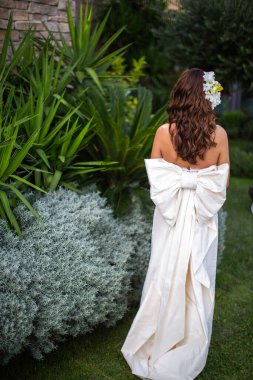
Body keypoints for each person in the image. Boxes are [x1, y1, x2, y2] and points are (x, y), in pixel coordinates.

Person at [121, 68, 230, 380]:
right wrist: (198, 181)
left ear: (180, 96)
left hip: (170, 214)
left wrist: (180, 180)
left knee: (164, 270)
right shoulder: (219, 135)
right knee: (196, 275)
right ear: (208, 98)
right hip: (201, 215)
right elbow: (223, 186)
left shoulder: (162, 133)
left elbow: (155, 181)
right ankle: (187, 341)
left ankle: (155, 338)